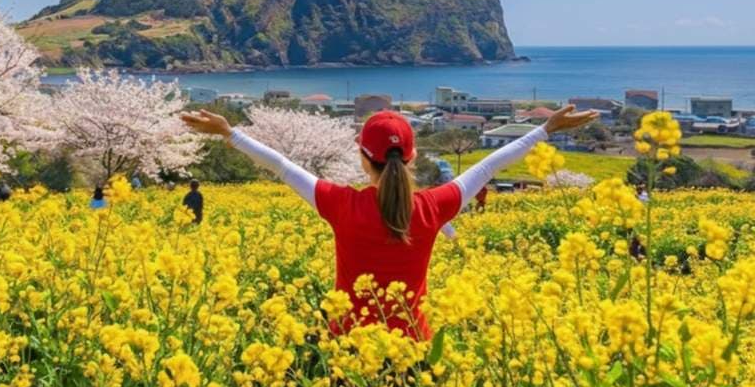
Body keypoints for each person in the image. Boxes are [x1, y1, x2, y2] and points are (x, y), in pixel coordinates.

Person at [181, 105, 597, 341]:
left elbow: (284, 167)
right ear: (412, 158)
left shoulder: (341, 205)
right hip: (412, 345)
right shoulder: (434, 206)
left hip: (349, 344)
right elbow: (489, 167)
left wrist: (229, 133)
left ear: (363, 159)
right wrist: (545, 128)